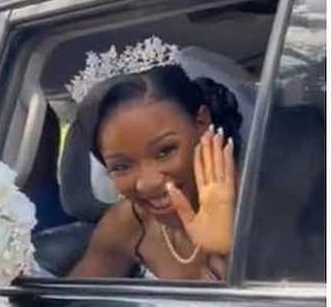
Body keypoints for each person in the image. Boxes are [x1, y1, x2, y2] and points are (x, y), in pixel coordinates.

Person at [66, 37, 240, 280]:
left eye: (165, 151)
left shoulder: (261, 204)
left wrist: (224, 255)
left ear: (201, 123)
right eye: (121, 166)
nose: (147, 183)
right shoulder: (129, 221)